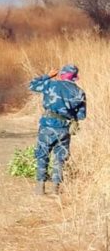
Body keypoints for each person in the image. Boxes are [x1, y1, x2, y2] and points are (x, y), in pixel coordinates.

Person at [29, 64, 87, 195]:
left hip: (47, 126)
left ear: (61, 74)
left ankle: (40, 187)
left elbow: (32, 85)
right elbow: (82, 115)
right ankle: (56, 188)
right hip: (65, 128)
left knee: (42, 155)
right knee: (60, 158)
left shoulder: (51, 85)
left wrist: (48, 76)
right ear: (75, 78)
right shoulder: (79, 92)